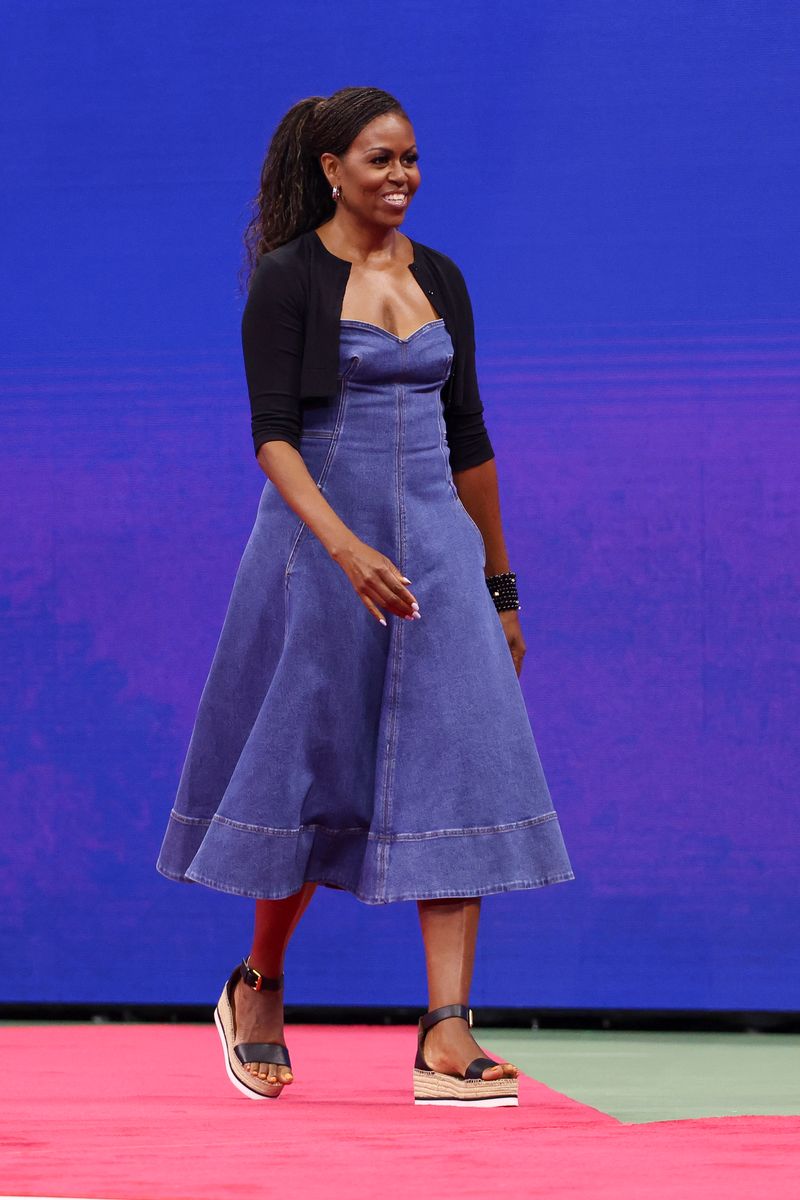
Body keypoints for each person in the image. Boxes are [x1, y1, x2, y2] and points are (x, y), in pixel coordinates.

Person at [157, 86, 575, 1107]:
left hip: (435, 548)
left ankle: (445, 1027)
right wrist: (342, 548)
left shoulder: (439, 276)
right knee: (311, 771)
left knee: (462, 764)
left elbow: (469, 439)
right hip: (319, 546)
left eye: (411, 159)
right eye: (379, 160)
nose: (400, 177)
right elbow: (272, 438)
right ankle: (258, 982)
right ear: (331, 168)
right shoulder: (289, 280)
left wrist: (498, 583)